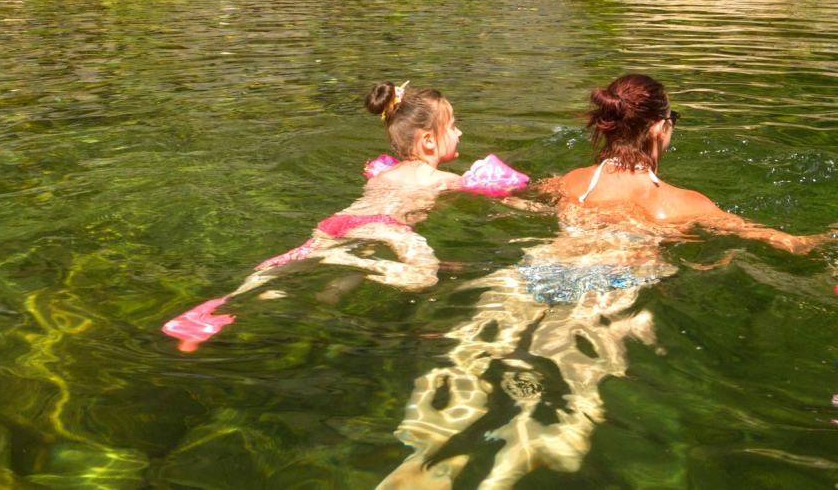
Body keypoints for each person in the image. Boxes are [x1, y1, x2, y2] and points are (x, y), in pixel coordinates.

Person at [377, 73, 832, 490]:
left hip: (539, 268)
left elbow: (516, 196)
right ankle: (501, 475)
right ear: (659, 129)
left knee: (470, 357)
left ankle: (418, 457)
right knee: (573, 393)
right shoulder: (679, 204)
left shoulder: (572, 183)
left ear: (607, 126)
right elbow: (787, 243)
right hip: (606, 289)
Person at [164, 82, 526, 352]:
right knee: (421, 277)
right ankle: (346, 263)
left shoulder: (382, 174)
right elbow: (501, 198)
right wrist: (533, 205)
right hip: (388, 228)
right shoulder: (445, 180)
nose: (460, 132)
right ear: (429, 141)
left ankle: (216, 310)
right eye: (454, 125)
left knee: (283, 265)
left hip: (337, 223)